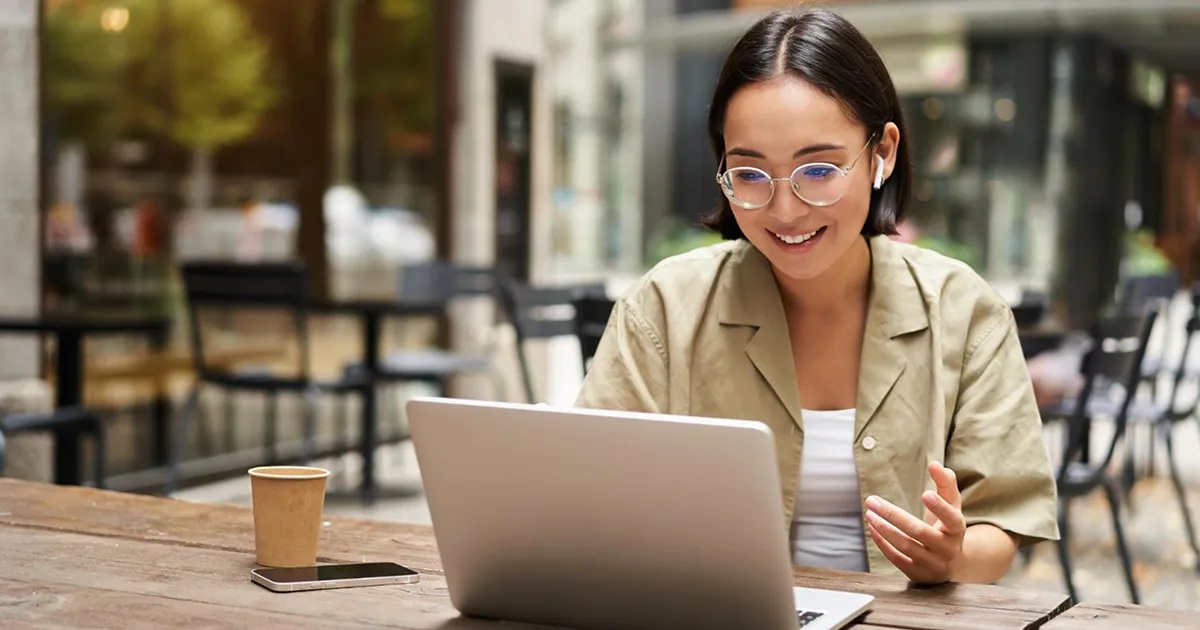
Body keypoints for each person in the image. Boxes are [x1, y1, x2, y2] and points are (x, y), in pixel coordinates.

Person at [576, 8, 1058, 585]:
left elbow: (1000, 522)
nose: (784, 210)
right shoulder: (663, 311)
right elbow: (589, 501)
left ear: (881, 153)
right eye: (751, 175)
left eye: (819, 170)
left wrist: (950, 557)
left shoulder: (965, 312)